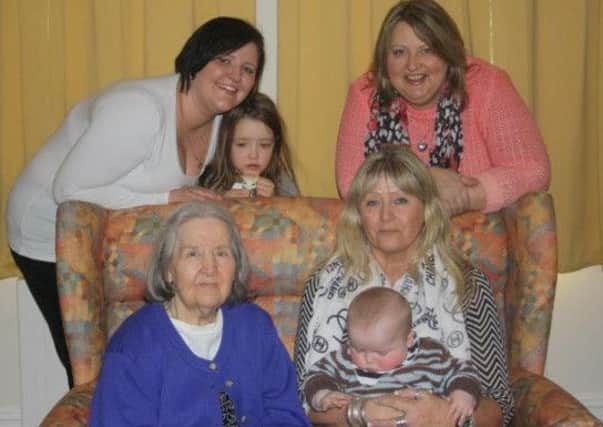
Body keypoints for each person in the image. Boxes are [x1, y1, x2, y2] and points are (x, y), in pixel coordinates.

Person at [5, 16, 264, 388]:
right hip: (47, 232)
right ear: (196, 57)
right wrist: (169, 197)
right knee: (90, 358)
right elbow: (69, 189)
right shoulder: (139, 110)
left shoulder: (221, 119)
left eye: (247, 69)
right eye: (223, 60)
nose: (234, 75)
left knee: (145, 345)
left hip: (114, 231)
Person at [294, 146, 514, 426]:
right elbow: (300, 399)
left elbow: (500, 406)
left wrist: (443, 418)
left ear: (427, 209)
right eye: (372, 203)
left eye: (400, 201)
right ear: (358, 215)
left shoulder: (467, 283)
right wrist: (357, 414)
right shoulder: (321, 283)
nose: (386, 216)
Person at [89, 201, 310, 426]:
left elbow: (288, 414)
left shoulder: (255, 327)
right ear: (168, 270)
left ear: (236, 267)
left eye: (221, 253)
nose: (210, 268)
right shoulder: (132, 349)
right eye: (193, 254)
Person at [335, 0, 550, 216]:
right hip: (390, 243)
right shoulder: (365, 95)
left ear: (448, 53)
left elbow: (533, 171)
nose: (412, 64)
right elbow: (350, 183)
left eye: (426, 50)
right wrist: (425, 180)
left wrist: (466, 197)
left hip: (476, 244)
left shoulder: (488, 85)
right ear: (384, 59)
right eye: (399, 52)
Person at [304, 288, 480, 427]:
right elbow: (316, 375)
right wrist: (323, 396)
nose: (368, 359)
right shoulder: (344, 359)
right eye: (358, 348)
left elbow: (462, 371)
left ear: (408, 339)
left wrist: (463, 395)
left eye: (381, 353)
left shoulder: (431, 355)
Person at [199, 92, 299, 198]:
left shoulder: (282, 182)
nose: (253, 155)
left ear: (275, 145)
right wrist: (224, 203)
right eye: (242, 145)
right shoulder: (210, 182)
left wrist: (275, 201)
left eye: (264, 145)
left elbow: (298, 212)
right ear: (224, 143)